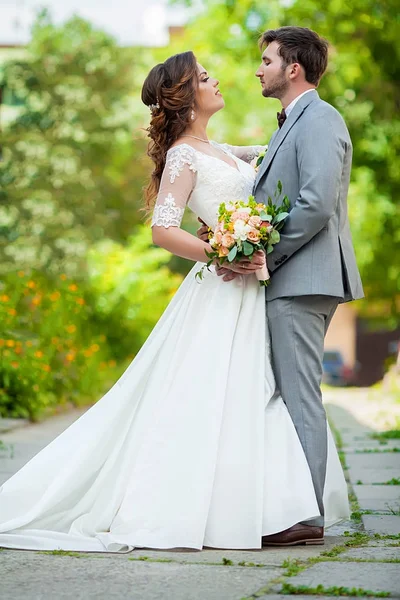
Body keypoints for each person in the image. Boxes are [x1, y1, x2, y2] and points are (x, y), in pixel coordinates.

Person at [0, 50, 349, 553]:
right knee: (208, 399)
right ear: (186, 97)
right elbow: (163, 230)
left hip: (254, 291)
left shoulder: (225, 152)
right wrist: (222, 250)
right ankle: (200, 504)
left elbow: (282, 150)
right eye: (206, 78)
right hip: (225, 287)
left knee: (254, 397)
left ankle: (268, 507)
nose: (218, 80)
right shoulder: (184, 156)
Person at [199, 27, 363, 546]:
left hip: (303, 279)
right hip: (294, 279)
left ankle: (307, 517)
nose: (257, 69)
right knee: (287, 395)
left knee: (299, 397)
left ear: (293, 68)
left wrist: (265, 252)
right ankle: (289, 506)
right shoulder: (295, 123)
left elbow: (315, 204)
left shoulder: (320, 118)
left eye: (266, 60)